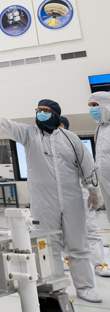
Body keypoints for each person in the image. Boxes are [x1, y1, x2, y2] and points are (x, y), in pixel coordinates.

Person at [0, 100, 102, 303]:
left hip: (73, 199)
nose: (41, 114)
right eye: (39, 110)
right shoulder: (29, 134)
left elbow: (87, 165)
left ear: (56, 114)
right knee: (49, 246)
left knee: (78, 245)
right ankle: (57, 286)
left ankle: (84, 287)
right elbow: (9, 125)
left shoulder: (71, 138)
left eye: (46, 111)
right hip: (43, 201)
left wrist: (94, 191)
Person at [60, 117, 110, 277]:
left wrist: (95, 194)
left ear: (63, 126)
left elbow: (90, 170)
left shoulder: (77, 145)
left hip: (81, 193)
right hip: (58, 195)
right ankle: (66, 258)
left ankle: (99, 264)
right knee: (62, 229)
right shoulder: (45, 147)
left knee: (90, 229)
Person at [91, 92, 110, 224]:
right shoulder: (99, 129)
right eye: (90, 105)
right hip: (105, 183)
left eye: (95, 105)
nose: (92, 109)